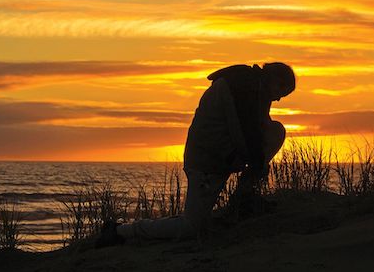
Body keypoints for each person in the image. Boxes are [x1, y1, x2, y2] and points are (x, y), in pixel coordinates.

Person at [95, 62, 296, 247]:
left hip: (224, 155)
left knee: (276, 131)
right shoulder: (241, 89)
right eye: (281, 91)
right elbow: (242, 132)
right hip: (207, 162)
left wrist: (255, 165)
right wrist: (257, 163)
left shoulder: (255, 89)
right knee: (191, 227)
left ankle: (243, 199)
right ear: (272, 79)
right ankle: (120, 231)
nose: (278, 98)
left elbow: (255, 130)